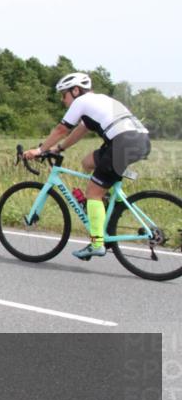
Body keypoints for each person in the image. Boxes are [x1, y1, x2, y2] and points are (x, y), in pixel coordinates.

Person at [23, 72, 150, 260]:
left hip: (122, 143)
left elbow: (62, 129)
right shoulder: (100, 100)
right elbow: (80, 129)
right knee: (87, 162)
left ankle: (97, 243)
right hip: (140, 140)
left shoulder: (81, 102)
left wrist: (40, 150)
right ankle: (105, 206)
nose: (62, 99)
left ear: (75, 91)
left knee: (93, 192)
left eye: (64, 94)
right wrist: (58, 148)